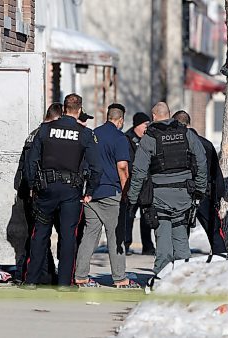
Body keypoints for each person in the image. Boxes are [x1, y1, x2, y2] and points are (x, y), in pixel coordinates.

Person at [23, 93, 102, 291]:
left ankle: (31, 279)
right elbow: (97, 167)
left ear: (65, 108)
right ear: (79, 110)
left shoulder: (45, 130)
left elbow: (31, 161)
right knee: (68, 235)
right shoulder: (84, 133)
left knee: (40, 234)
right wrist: (90, 190)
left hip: (46, 189)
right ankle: (65, 283)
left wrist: (33, 185)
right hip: (71, 192)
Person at [127, 102, 207, 275]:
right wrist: (200, 188)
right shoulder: (186, 133)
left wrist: (132, 198)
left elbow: (139, 171)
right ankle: (184, 276)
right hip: (184, 194)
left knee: (163, 238)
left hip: (160, 196)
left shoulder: (150, 138)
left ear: (154, 116)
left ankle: (162, 277)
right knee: (181, 236)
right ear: (169, 114)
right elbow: (201, 161)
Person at [75, 103, 140, 288]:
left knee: (89, 235)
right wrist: (126, 192)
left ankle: (80, 276)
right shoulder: (119, 138)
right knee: (115, 235)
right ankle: (120, 278)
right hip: (111, 193)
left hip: (91, 193)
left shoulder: (93, 134)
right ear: (120, 120)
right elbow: (122, 167)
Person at [13, 103, 62, 283]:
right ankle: (41, 275)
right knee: (40, 236)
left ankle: (45, 273)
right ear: (56, 118)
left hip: (28, 190)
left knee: (39, 235)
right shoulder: (44, 135)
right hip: (38, 191)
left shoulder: (34, 133)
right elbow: (33, 166)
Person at [172, 110, 226, 254]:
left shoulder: (175, 144)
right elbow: (216, 173)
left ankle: (179, 261)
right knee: (213, 231)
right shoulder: (206, 144)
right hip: (205, 194)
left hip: (181, 193)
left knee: (180, 231)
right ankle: (221, 259)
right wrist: (218, 195)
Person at [124, 112, 155, 256]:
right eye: (145, 125)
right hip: (132, 183)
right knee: (128, 215)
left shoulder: (148, 139)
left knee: (146, 216)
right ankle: (125, 244)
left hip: (146, 184)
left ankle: (147, 246)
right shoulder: (127, 138)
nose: (147, 127)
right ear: (137, 125)